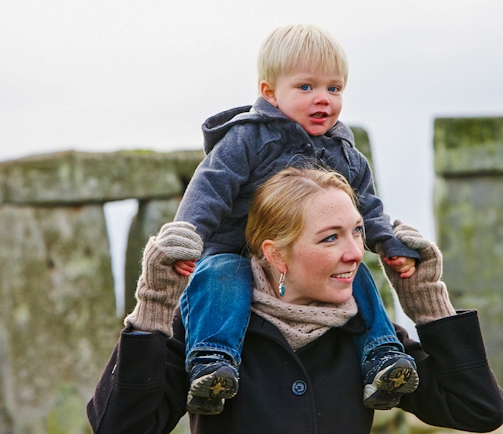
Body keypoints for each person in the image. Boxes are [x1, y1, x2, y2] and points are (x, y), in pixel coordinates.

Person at [87, 167, 503, 433]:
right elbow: (120, 426)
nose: (356, 253)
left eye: (357, 231)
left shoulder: (367, 333)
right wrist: (154, 310)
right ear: (275, 254)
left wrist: (429, 305)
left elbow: (478, 410)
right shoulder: (210, 331)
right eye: (331, 237)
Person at [170, 24, 421, 414]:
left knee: (356, 272)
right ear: (269, 92)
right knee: (220, 275)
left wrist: (388, 243)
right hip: (235, 248)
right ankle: (212, 362)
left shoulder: (345, 153)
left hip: (304, 257)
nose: (323, 99)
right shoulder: (247, 139)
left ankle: (383, 355)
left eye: (333, 88)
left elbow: (368, 206)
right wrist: (187, 238)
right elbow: (210, 188)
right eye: (306, 87)